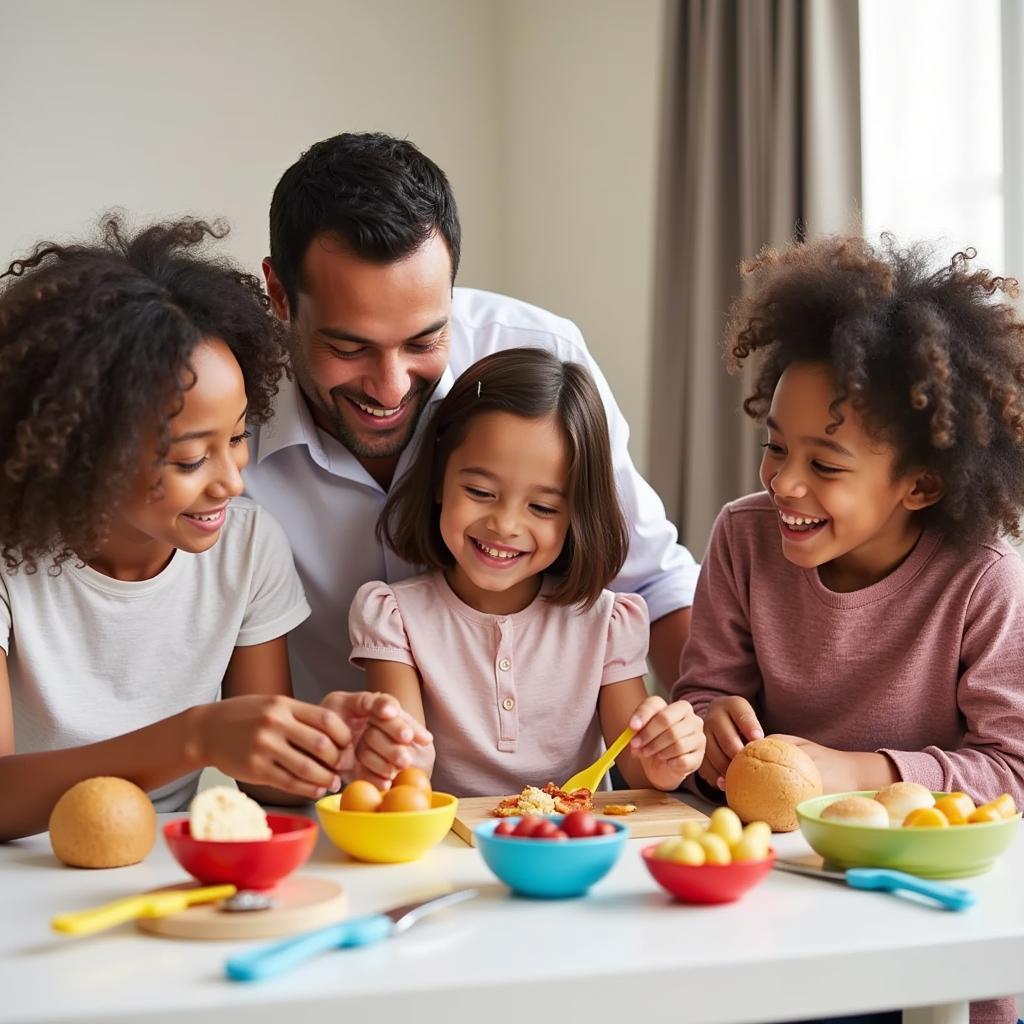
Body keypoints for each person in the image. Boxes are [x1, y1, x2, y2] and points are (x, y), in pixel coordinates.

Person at [672, 237, 1024, 1024]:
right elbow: (703, 701)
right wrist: (706, 735)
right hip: (780, 913)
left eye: (825, 466)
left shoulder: (983, 579)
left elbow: (1012, 772)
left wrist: (847, 774)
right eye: (775, 448)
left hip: (929, 927)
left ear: (921, 484)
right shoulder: (743, 538)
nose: (784, 483)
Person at [0, 216, 429, 841]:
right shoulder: (11, 564)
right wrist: (197, 735)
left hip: (160, 870)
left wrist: (325, 748)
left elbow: (264, 785)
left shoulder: (247, 547)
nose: (230, 480)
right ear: (85, 452)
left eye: (236, 439)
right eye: (190, 459)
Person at [243, 131, 699, 707]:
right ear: (280, 296)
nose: (391, 387)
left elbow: (653, 582)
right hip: (337, 793)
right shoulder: (226, 419)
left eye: (424, 338)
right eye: (350, 347)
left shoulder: (543, 352)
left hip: (556, 797)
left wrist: (707, 723)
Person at [347, 348, 705, 797]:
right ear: (439, 478)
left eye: (542, 507)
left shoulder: (606, 623)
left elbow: (637, 767)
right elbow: (406, 774)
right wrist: (387, 754)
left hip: (575, 851)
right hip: (453, 854)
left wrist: (670, 753)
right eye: (480, 491)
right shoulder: (395, 616)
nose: (506, 526)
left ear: (576, 514)